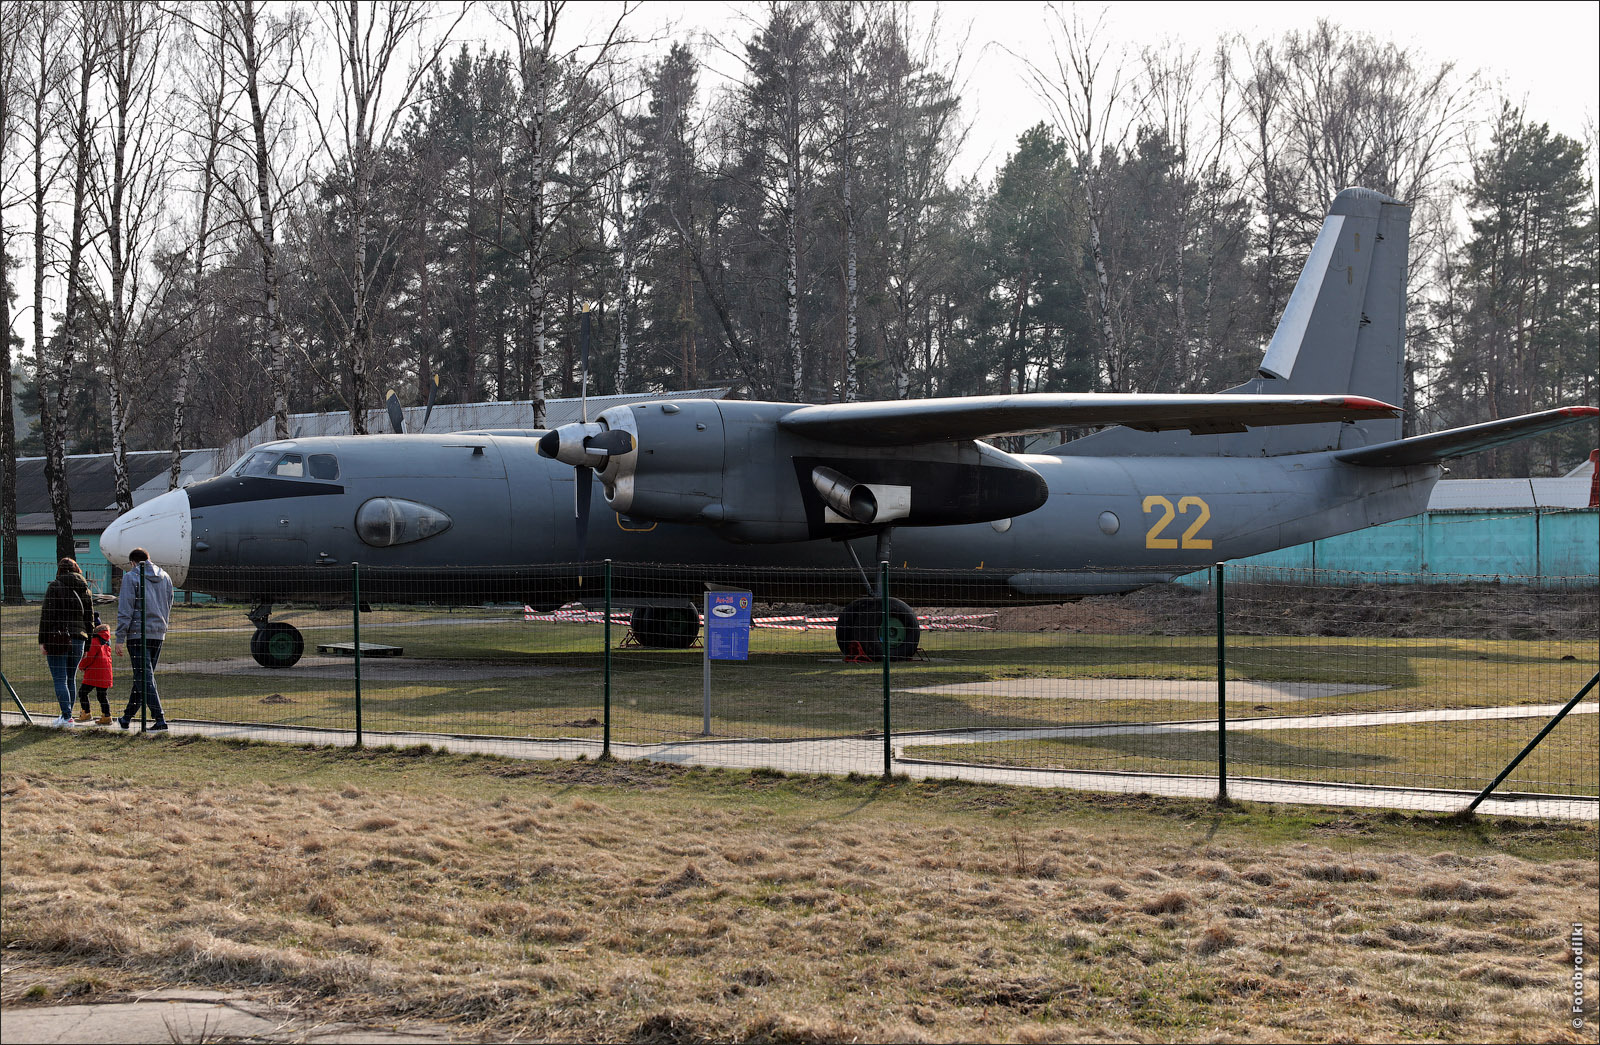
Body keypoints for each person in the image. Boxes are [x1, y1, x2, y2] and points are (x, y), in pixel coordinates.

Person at [114, 548, 175, 731]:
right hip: (158, 632)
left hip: (137, 633)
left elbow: (126, 608)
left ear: (133, 562)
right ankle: (127, 717)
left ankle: (159, 718)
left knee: (144, 677)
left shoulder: (131, 577)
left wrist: (119, 637)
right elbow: (169, 602)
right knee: (143, 677)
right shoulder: (165, 576)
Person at [38, 558, 95, 727]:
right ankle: (66, 716)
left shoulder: (54, 586)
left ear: (59, 570)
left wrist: (42, 640)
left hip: (58, 637)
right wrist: (89, 642)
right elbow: (89, 619)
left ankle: (66, 716)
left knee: (60, 679)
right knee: (71, 678)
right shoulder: (85, 589)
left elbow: (46, 615)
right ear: (76, 568)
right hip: (79, 638)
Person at [75, 623, 115, 724]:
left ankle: (86, 713)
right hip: (105, 673)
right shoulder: (107, 642)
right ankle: (107, 715)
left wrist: (81, 666)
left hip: (94, 673)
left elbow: (89, 656)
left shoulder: (95, 641)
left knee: (82, 692)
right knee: (102, 695)